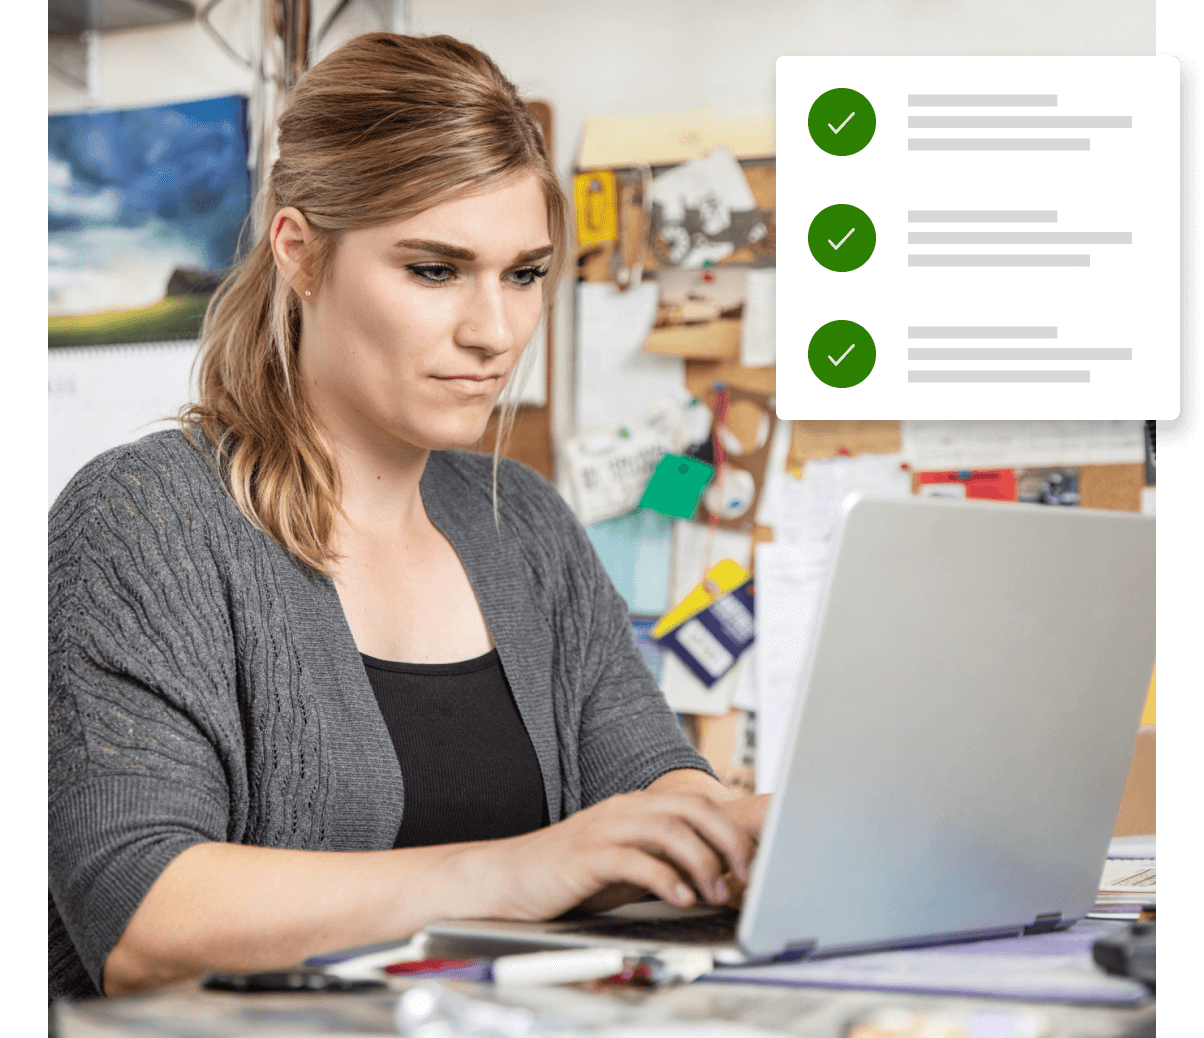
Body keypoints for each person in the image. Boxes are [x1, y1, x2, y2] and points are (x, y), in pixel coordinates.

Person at [48, 33, 767, 1004]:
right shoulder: (145, 522)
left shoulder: (526, 528)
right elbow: (142, 918)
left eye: (523, 273)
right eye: (435, 270)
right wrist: (513, 871)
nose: (496, 331)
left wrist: (731, 831)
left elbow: (644, 776)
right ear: (300, 253)